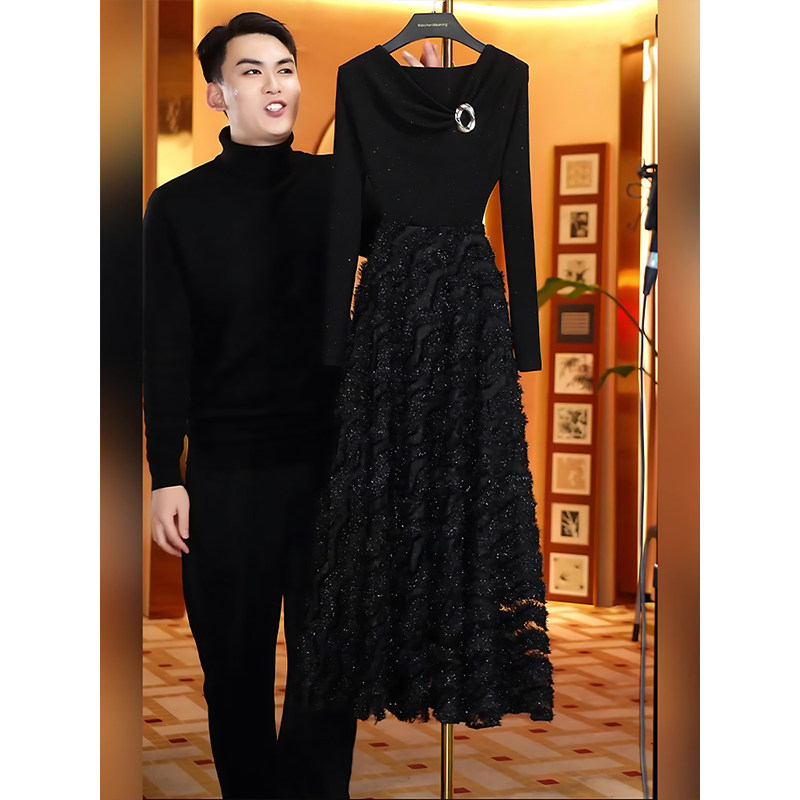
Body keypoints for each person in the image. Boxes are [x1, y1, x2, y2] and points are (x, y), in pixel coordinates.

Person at [143, 12, 437, 800]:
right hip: (224, 475)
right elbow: (164, 349)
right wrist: (164, 473)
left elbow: (423, 227)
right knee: (232, 672)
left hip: (331, 470)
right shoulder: (176, 208)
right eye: (251, 71)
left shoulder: (338, 186)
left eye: (285, 68)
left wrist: (428, 105)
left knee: (329, 671)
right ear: (218, 94)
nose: (275, 84)